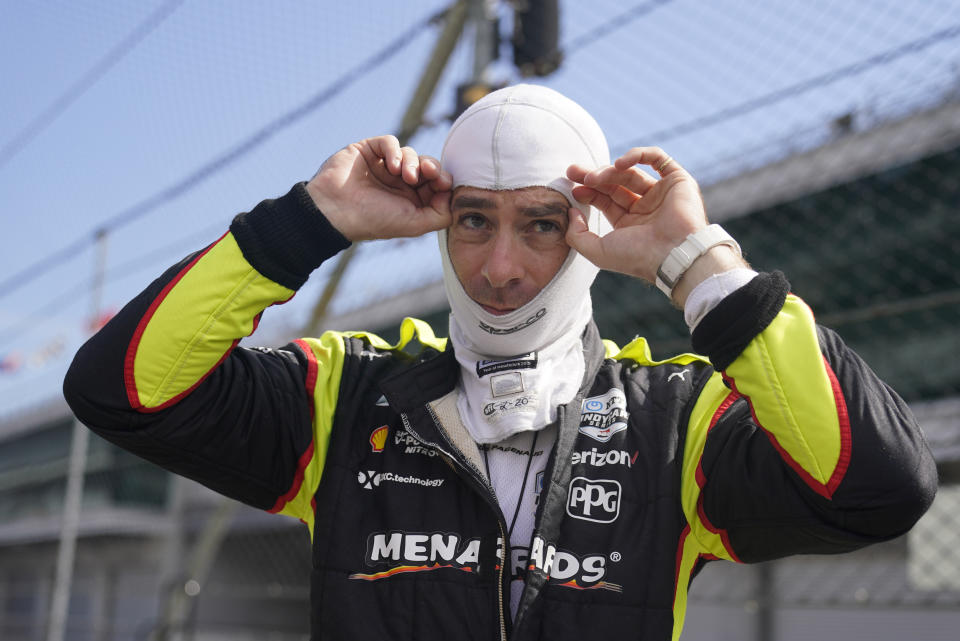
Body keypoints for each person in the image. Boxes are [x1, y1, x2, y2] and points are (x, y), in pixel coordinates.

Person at [64, 84, 936, 641]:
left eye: (542, 224)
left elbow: (880, 485)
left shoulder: (676, 420)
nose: (502, 268)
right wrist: (310, 219)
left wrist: (700, 266)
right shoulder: (349, 395)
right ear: (441, 226)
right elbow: (122, 389)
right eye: (474, 219)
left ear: (589, 233)